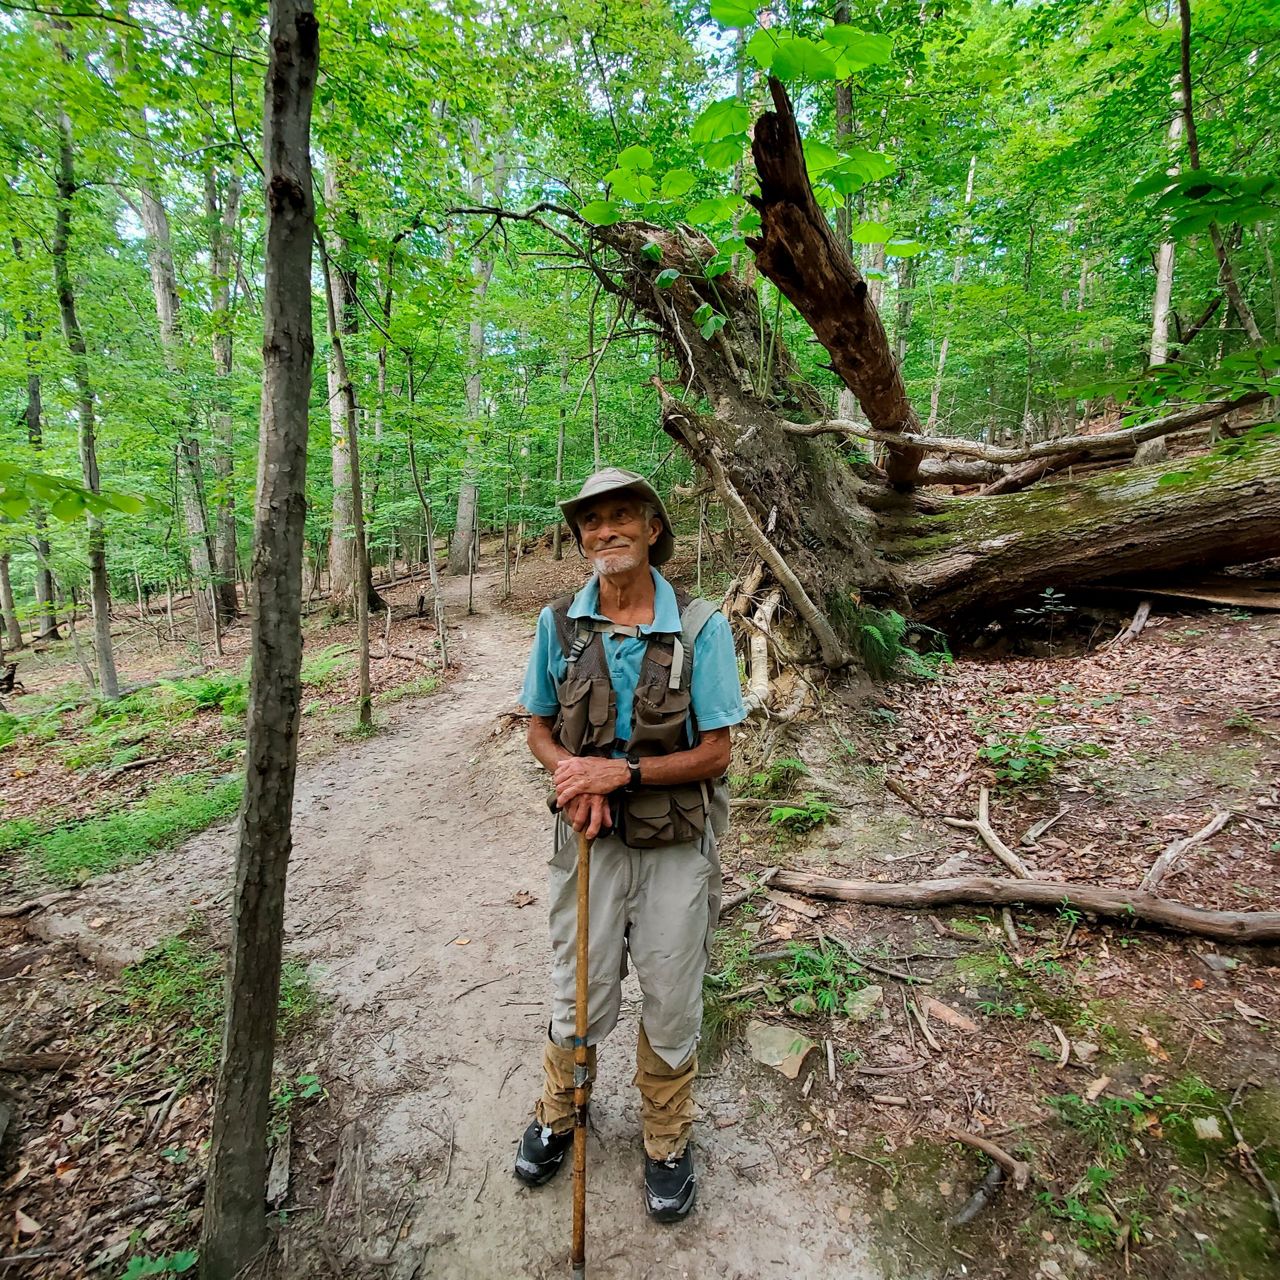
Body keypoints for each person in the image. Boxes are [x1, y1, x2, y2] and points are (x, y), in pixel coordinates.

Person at [514, 467, 746, 1222]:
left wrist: (621, 774)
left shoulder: (703, 628)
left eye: (621, 516)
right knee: (576, 984)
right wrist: (574, 780)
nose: (604, 531)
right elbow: (541, 731)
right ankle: (560, 1112)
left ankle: (667, 1138)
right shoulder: (559, 623)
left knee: (673, 990)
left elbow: (716, 751)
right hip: (586, 839)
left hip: (677, 842)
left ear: (653, 529)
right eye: (591, 521)